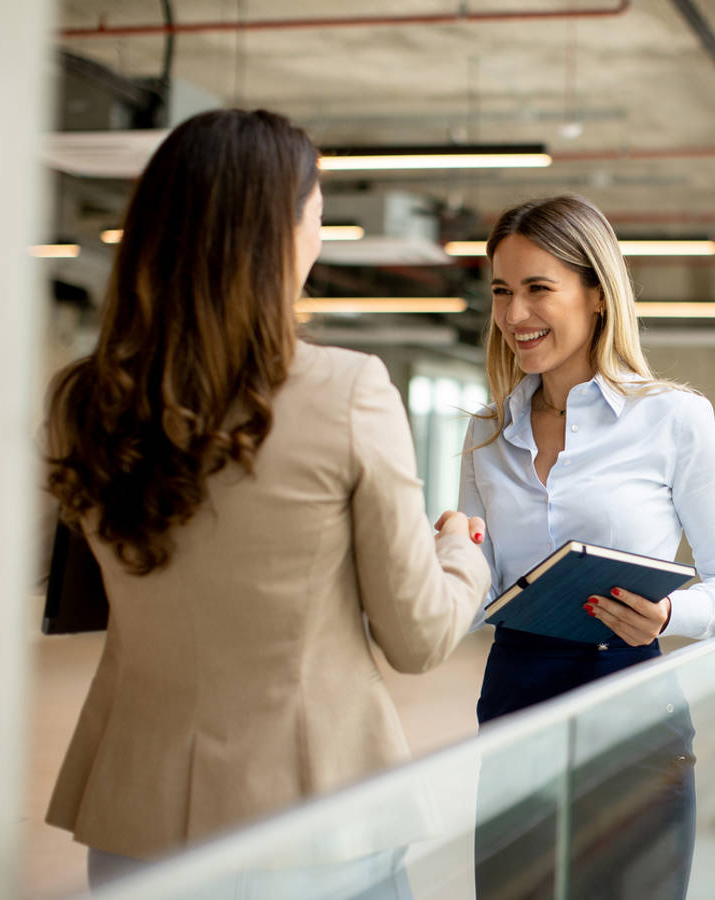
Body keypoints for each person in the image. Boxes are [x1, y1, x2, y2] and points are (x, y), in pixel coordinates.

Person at [43, 108, 490, 895]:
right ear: (281, 231)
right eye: (317, 211)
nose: (320, 233)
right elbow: (417, 639)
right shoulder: (349, 390)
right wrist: (460, 549)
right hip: (313, 820)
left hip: (132, 817)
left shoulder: (85, 399)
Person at [458, 194, 715, 899]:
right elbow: (472, 593)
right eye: (502, 291)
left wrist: (669, 617)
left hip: (630, 698)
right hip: (514, 699)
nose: (513, 315)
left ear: (597, 293)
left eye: (539, 288)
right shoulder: (485, 436)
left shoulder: (673, 419)